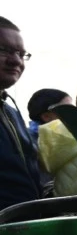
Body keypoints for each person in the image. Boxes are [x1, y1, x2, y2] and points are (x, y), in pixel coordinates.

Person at [0, 16, 42, 211]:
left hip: (20, 230)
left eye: (21, 53)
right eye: (4, 50)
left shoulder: (10, 111)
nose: (16, 61)